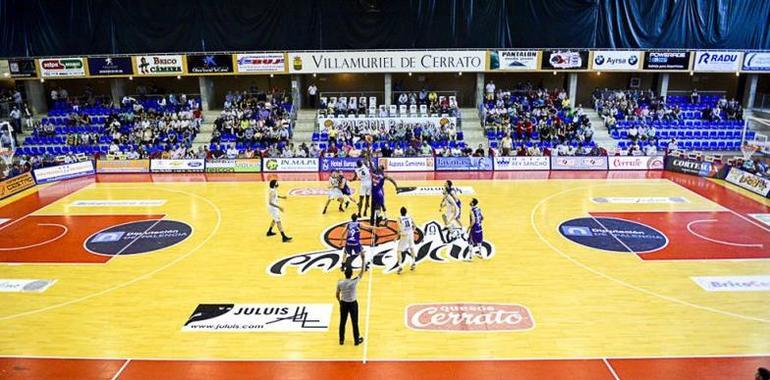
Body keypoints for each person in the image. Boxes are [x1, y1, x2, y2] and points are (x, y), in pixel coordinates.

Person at [336, 261, 365, 346]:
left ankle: (341, 340)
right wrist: (363, 261)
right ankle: (356, 340)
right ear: (352, 274)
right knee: (354, 322)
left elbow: (337, 294)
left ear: (345, 274)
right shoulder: (354, 282)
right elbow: (362, 272)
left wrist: (340, 302)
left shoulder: (340, 283)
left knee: (342, 322)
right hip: (353, 304)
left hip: (344, 303)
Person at [396, 207, 417, 274]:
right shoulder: (409, 217)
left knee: (399, 251)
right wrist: (412, 231)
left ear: (400, 212)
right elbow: (415, 226)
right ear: (406, 212)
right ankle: (413, 262)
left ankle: (400, 266)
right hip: (410, 233)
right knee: (411, 247)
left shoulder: (399, 218)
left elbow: (399, 229)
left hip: (404, 235)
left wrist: (397, 236)